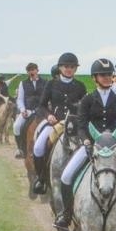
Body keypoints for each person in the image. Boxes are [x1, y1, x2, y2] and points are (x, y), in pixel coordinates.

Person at [58, 59, 116, 227]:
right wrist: (86, 141)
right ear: (95, 78)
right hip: (92, 145)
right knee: (66, 176)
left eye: (109, 74)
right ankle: (66, 213)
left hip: (115, 145)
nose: (107, 77)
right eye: (103, 75)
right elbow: (81, 125)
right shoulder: (87, 100)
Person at [33, 52, 87, 197]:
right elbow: (41, 106)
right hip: (54, 123)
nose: (69, 69)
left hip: (73, 126)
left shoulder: (80, 86)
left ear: (75, 69)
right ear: (60, 68)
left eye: (72, 67)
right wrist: (48, 115)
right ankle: (41, 178)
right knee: (38, 146)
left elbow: (84, 108)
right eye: (66, 66)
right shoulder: (51, 84)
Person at [14, 62, 46, 157]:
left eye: (33, 69)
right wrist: (22, 109)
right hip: (27, 111)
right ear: (27, 72)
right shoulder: (23, 83)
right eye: (29, 70)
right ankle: (20, 149)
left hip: (41, 111)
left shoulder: (45, 82)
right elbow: (20, 99)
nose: (31, 72)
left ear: (37, 70)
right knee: (16, 126)